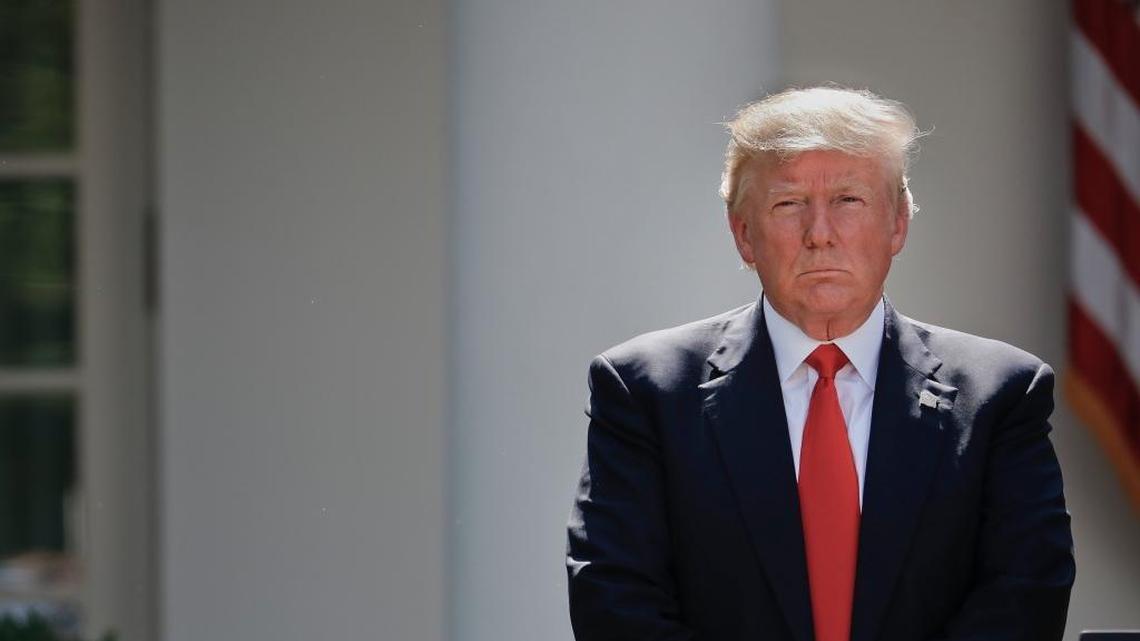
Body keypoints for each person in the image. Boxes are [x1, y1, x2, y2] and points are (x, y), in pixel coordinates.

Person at [565, 86, 1075, 641]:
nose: (819, 234)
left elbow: (1025, 594)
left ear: (898, 223)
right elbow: (615, 599)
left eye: (848, 201)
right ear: (743, 235)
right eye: (788, 205)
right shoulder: (645, 390)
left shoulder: (1001, 393)